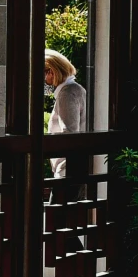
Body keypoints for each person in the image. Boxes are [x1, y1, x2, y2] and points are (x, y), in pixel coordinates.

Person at [44, 48, 87, 179]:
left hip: (68, 172)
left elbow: (69, 135)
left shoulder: (67, 93)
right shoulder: (74, 89)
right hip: (73, 169)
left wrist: (61, 173)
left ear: (51, 72)